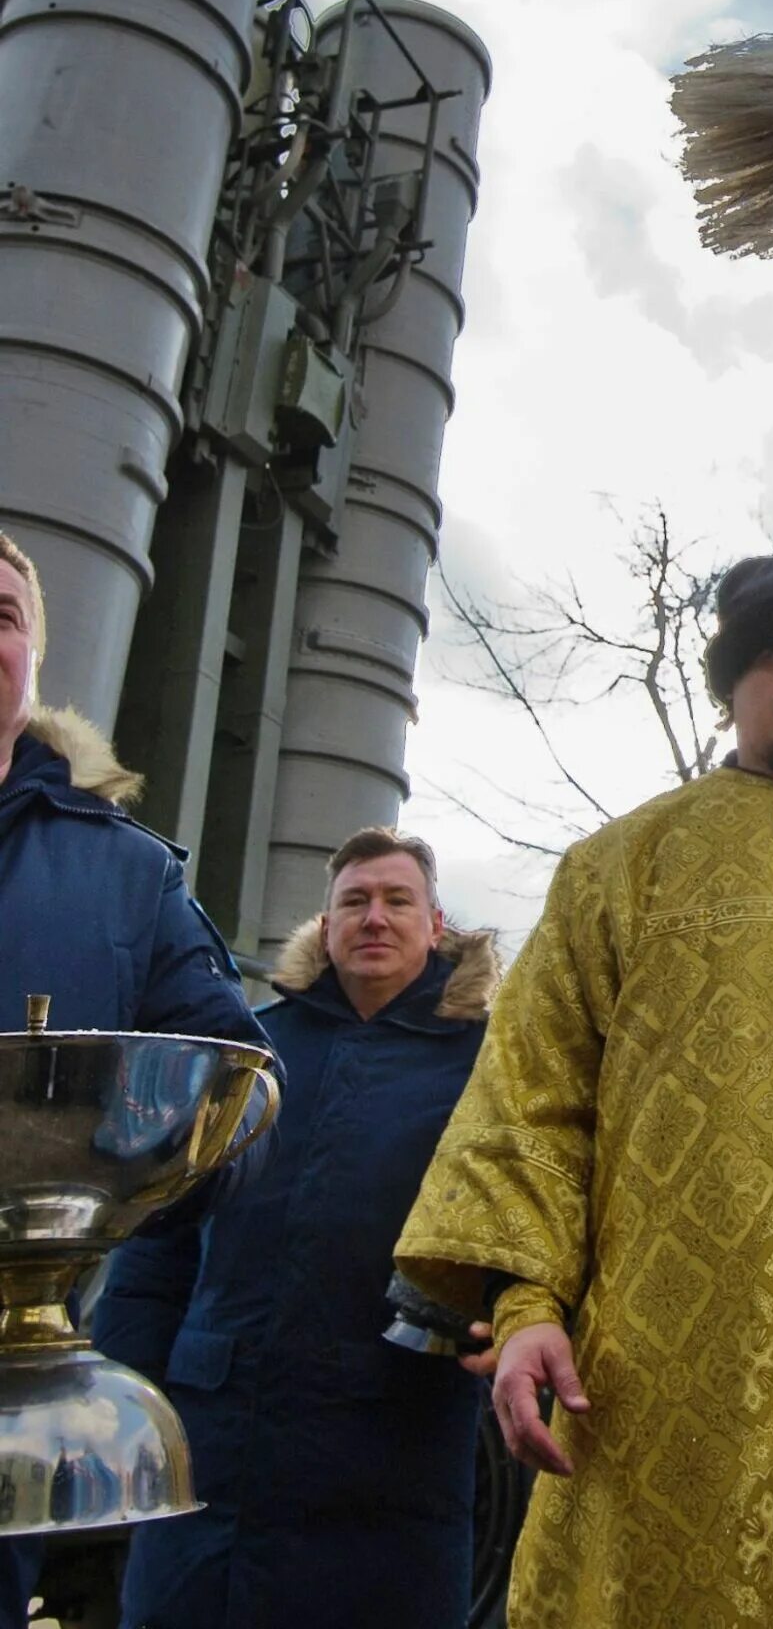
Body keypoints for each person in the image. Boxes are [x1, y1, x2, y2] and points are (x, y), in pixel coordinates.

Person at [397, 546, 773, 1629]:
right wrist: (522, 1311)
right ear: (729, 690)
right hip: (660, 1367)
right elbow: (534, 1099)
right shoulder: (622, 864)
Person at [92, 826, 497, 1629]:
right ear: (326, 922)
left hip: (394, 1455)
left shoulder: (488, 1067)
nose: (373, 918)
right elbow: (161, 1233)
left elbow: (521, 1222)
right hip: (217, 1442)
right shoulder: (247, 1052)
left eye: (395, 900)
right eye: (354, 901)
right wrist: (123, 1398)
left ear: (436, 923)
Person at [0, 530, 275, 1629]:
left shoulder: (127, 873)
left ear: (31, 666)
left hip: (16, 1384)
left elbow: (239, 1085)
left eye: (4, 613)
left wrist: (133, 1166)